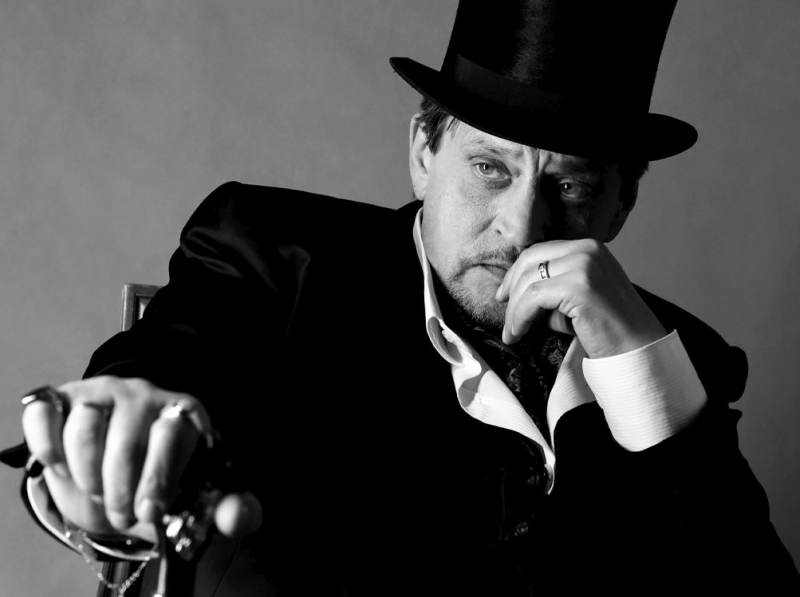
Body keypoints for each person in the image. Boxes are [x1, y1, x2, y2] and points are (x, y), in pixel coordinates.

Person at [3, 0, 799, 595]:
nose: (521, 227)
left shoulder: (678, 357)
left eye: (571, 187)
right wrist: (113, 430)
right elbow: (172, 363)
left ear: (622, 205)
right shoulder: (274, 258)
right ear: (425, 151)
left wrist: (640, 368)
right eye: (490, 168)